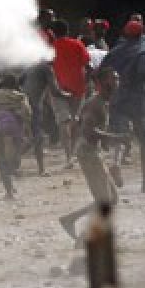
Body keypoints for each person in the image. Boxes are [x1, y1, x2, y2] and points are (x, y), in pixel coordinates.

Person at [57, 68, 127, 242]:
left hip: (92, 152)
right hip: (88, 153)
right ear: (102, 82)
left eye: (118, 78)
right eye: (113, 79)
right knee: (105, 200)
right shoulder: (96, 103)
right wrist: (117, 137)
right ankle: (85, 237)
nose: (117, 83)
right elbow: (88, 131)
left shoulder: (103, 102)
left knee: (112, 198)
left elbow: (95, 133)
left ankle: (70, 220)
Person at [101, 20, 145, 193]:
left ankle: (115, 163)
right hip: (137, 98)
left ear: (125, 33)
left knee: (119, 134)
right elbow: (143, 74)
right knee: (144, 140)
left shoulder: (114, 52)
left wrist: (109, 91)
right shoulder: (142, 52)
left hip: (117, 97)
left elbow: (101, 71)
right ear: (142, 34)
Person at [49, 19, 91, 166]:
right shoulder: (78, 44)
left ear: (53, 33)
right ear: (67, 31)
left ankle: (68, 157)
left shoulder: (49, 48)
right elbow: (88, 65)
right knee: (76, 120)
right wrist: (87, 83)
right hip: (78, 87)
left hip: (58, 89)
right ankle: (73, 152)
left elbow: (47, 69)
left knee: (63, 122)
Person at [0, 74, 31, 199]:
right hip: (16, 127)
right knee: (13, 153)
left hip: (2, 125)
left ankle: (9, 191)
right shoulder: (20, 96)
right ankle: (13, 168)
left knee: (1, 159)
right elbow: (28, 112)